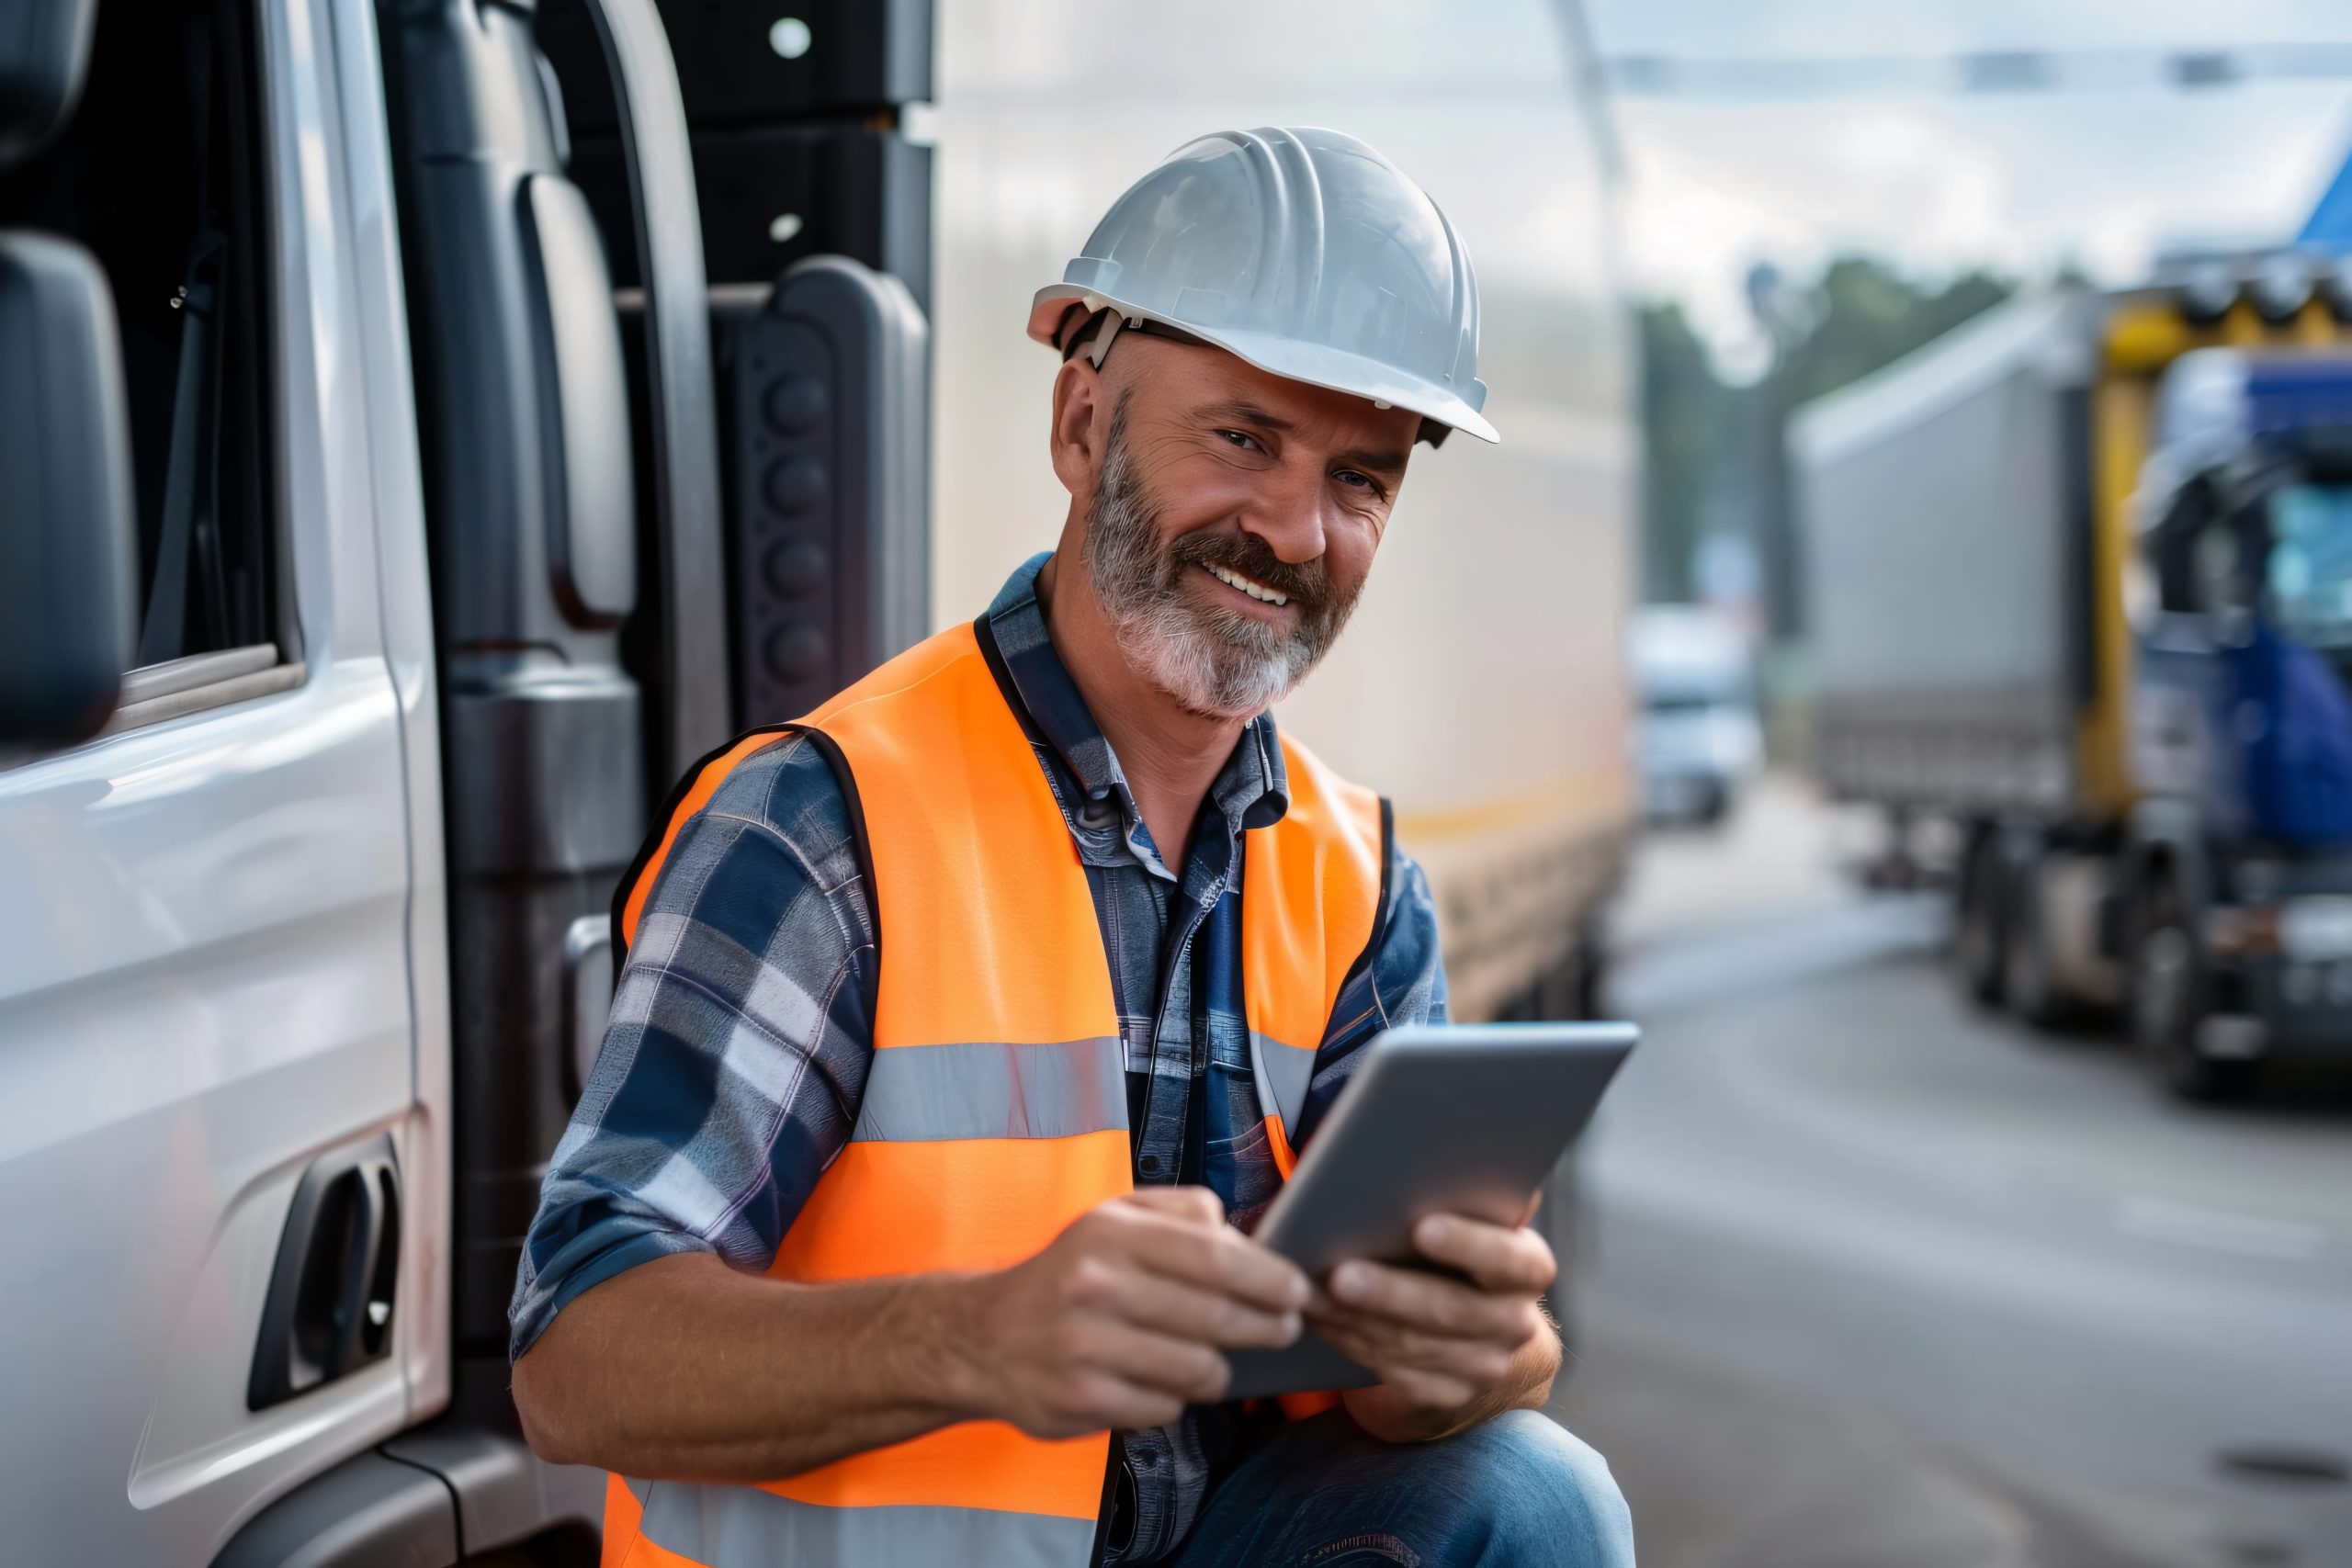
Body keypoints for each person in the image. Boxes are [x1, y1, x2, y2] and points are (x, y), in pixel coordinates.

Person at [509, 126, 1634, 1568]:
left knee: (1535, 1492)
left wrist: (1486, 1353)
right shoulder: (821, 826)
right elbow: (571, 1361)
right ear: (1082, 424)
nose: (1295, 528)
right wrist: (968, 1338)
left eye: (1361, 479)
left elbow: (1423, 1391)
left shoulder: (1356, 882)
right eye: (1242, 439)